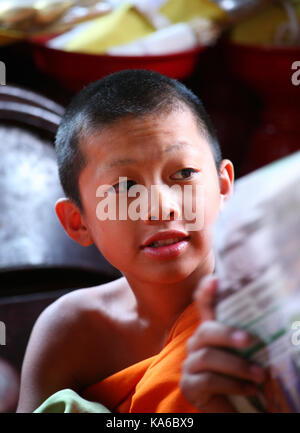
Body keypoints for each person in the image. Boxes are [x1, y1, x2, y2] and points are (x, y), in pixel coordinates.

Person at [16, 69, 266, 413]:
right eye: (124, 188)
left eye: (183, 174)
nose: (160, 208)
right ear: (79, 222)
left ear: (223, 187)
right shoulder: (71, 332)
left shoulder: (272, 305)